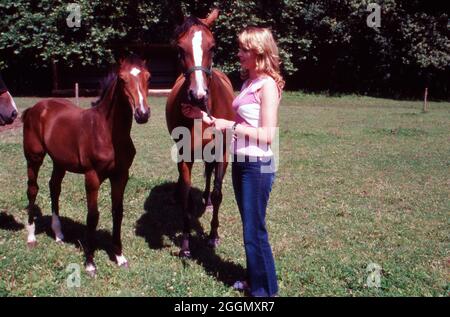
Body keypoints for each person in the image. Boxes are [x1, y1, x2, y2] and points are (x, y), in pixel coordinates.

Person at [201, 26, 284, 297]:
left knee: (254, 231)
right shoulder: (249, 82)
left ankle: (265, 294)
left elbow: (268, 136)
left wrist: (229, 126)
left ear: (258, 52)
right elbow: (241, 121)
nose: (238, 54)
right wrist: (214, 121)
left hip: (258, 166)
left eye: (243, 50)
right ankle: (253, 280)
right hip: (241, 162)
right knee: (250, 228)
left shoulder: (267, 86)